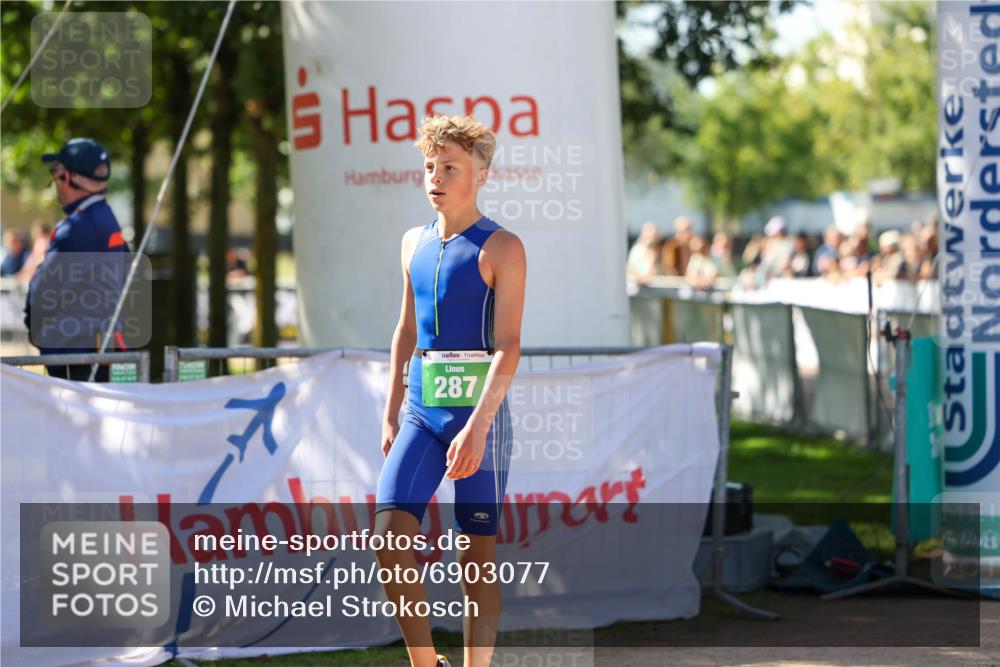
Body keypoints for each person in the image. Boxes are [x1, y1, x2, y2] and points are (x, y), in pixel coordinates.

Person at [375, 115, 526, 667]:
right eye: (429, 167)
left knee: (474, 563)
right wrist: (391, 412)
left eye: (450, 168)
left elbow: (508, 346)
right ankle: (425, 662)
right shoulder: (412, 242)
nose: (435, 177)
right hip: (421, 412)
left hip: (478, 419)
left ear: (481, 175)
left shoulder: (503, 247)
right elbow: (406, 332)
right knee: (390, 541)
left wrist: (478, 427)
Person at [23, 138, 129, 382]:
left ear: (67, 177)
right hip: (102, 348)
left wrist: (35, 329)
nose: (54, 181)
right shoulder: (105, 216)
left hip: (76, 354)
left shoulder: (77, 227)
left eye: (55, 172)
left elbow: (44, 290)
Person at [626, 221, 661, 285]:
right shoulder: (638, 249)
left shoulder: (657, 251)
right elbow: (630, 269)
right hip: (638, 287)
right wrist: (641, 279)